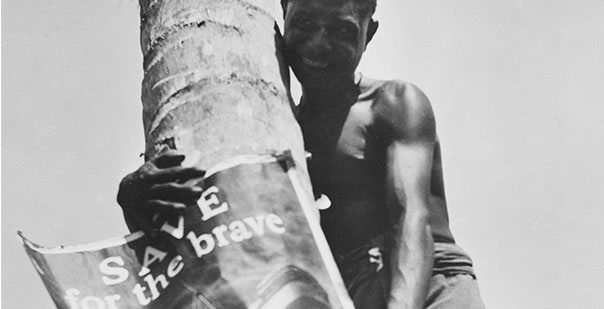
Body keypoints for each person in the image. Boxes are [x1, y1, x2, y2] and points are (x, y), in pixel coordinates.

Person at [118, 0, 484, 308]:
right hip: (342, 290)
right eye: (305, 23)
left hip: (430, 281)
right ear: (284, 12)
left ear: (368, 33)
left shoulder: (392, 104)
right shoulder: (272, 132)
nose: (319, 44)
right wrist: (133, 196)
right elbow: (213, 233)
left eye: (342, 31)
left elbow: (412, 220)